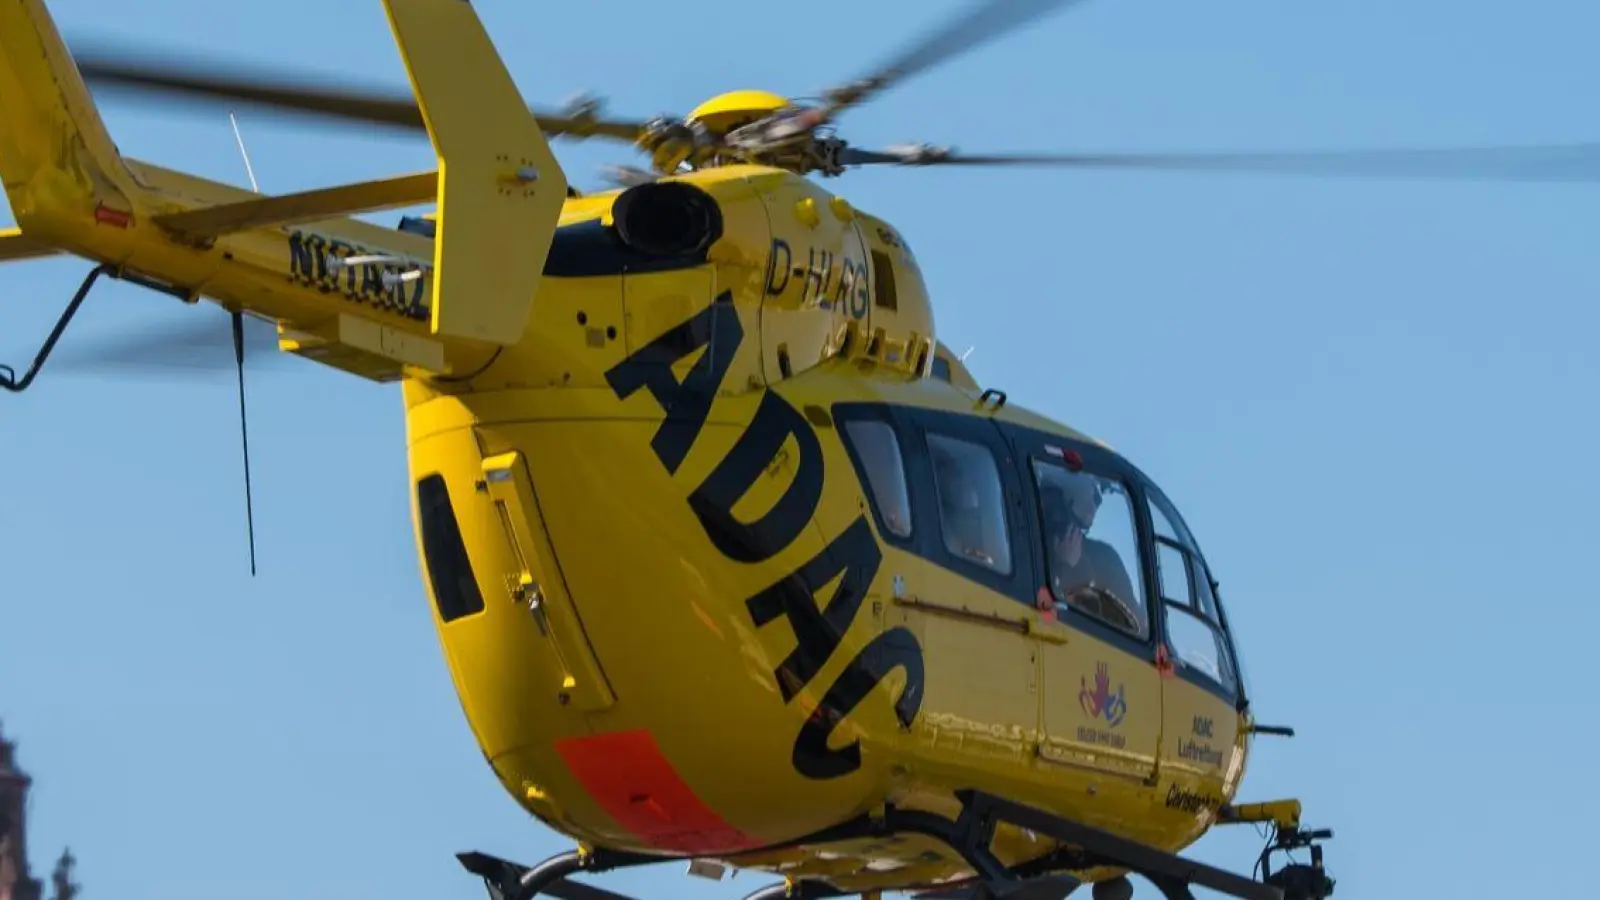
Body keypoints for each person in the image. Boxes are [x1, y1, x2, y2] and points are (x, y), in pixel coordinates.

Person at [1040, 474, 1143, 637]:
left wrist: (1073, 567)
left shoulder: (1103, 559)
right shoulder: (1030, 544)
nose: (1096, 503)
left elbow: (1133, 626)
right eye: (1094, 494)